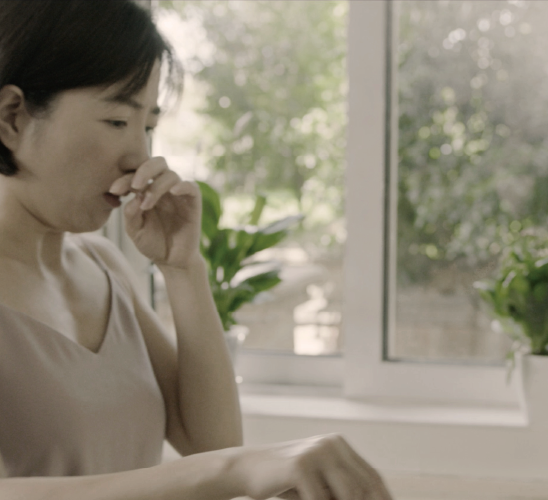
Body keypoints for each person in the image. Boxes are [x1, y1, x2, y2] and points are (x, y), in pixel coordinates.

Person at [0, 1, 394, 499]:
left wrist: (183, 267)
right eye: (117, 121)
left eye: (148, 127)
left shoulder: (103, 266)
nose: (140, 156)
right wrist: (235, 468)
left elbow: (212, 442)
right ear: (12, 117)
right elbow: (222, 466)